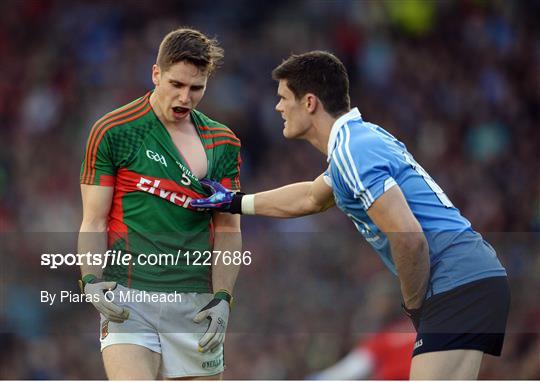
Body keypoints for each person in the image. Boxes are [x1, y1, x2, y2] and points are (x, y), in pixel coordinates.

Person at [191, 51, 510, 379]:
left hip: (456, 280)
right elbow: (313, 196)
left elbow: (409, 237)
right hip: (471, 277)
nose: (279, 107)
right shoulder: (359, 141)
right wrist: (236, 202)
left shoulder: (352, 152)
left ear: (310, 102)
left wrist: (414, 307)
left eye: (285, 98)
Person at [78, 27, 242, 379]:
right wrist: (90, 280)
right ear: (156, 74)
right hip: (128, 299)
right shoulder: (114, 131)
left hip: (196, 306)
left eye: (196, 88)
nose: (185, 97)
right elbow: (93, 221)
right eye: (176, 85)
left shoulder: (222, 142)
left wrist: (223, 298)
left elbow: (228, 229)